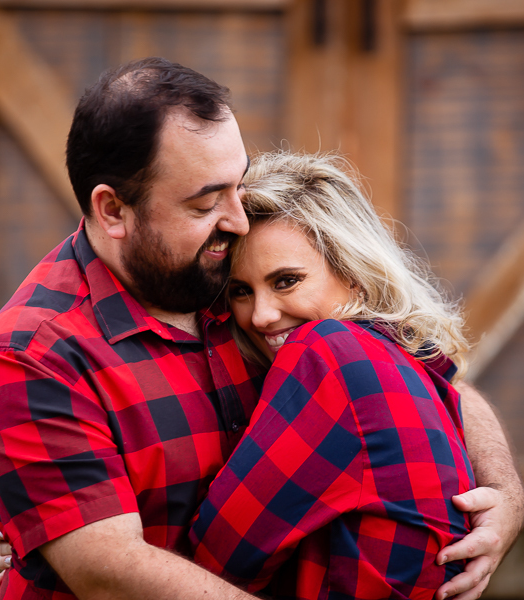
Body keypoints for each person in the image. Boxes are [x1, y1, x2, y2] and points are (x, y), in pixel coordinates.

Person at [0, 57, 524, 600]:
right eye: (206, 202)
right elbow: (109, 572)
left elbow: (429, 377)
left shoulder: (236, 269)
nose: (237, 219)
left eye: (237, 185)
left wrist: (504, 492)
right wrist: (42, 535)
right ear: (113, 210)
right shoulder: (33, 354)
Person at [188, 150, 476, 600]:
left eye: (286, 281)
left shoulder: (327, 353)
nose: (261, 316)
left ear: (354, 272)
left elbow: (219, 557)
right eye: (241, 291)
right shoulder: (400, 360)